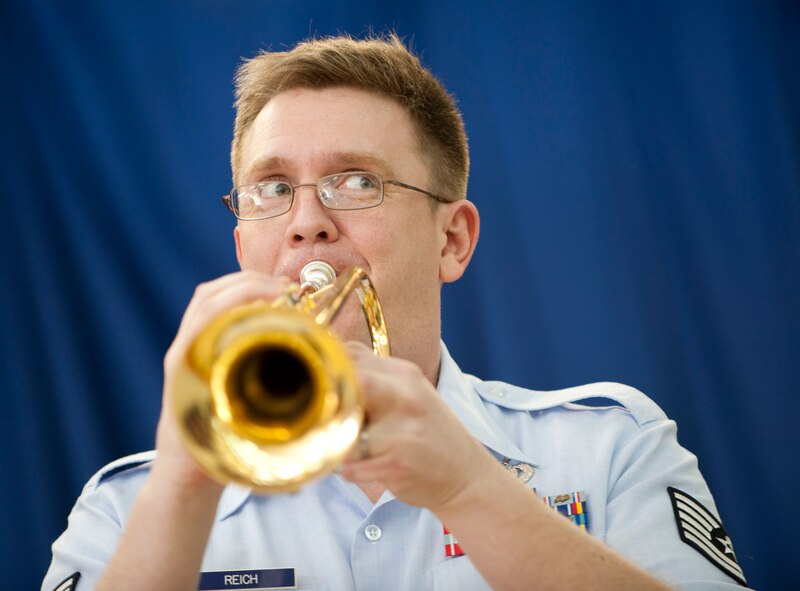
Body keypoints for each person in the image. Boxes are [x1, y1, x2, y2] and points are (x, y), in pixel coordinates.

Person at [42, 34, 748, 591]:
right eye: (272, 188)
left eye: (357, 181)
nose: (306, 223)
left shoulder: (610, 447)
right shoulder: (125, 507)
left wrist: (470, 490)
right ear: (241, 247)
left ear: (452, 239)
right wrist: (182, 487)